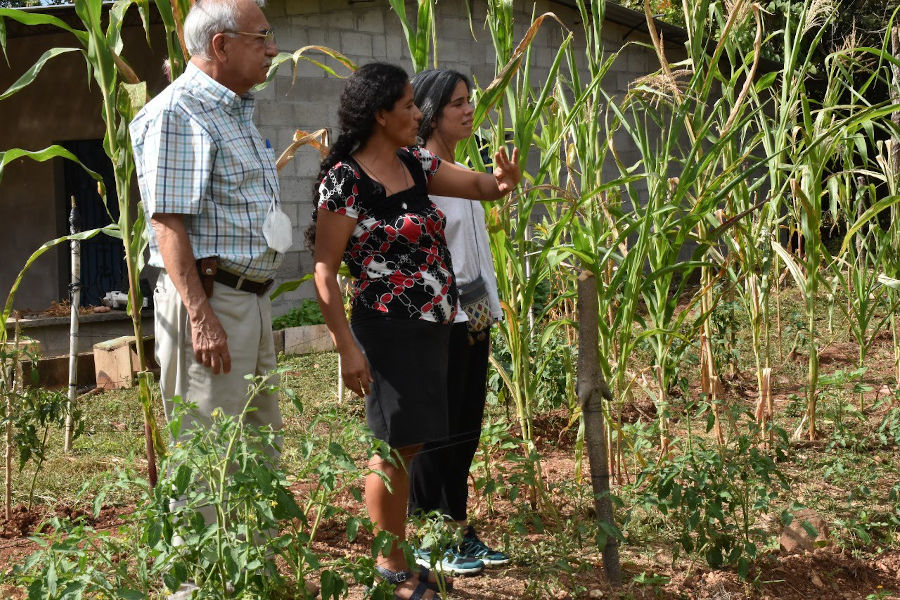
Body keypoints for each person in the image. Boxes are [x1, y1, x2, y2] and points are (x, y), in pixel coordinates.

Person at [311, 62, 520, 600]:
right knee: (393, 449)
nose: (416, 113)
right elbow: (325, 272)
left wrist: (501, 184)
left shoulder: (412, 161)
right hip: (386, 329)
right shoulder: (347, 180)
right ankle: (388, 567)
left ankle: (401, 557)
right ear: (380, 115)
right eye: (407, 105)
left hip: (432, 326)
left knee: (413, 442)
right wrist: (347, 348)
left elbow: (475, 186)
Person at [130, 0, 283, 597]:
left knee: (255, 446)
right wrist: (202, 316)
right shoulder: (180, 113)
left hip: (251, 300)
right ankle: (196, 585)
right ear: (220, 46)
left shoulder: (235, 109)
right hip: (212, 302)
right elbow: (169, 224)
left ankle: (246, 575)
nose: (272, 48)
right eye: (262, 37)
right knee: (206, 449)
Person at [407, 69, 510, 573]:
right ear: (430, 111)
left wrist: (489, 313)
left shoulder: (463, 169)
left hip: (473, 315)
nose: (469, 110)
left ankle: (457, 528)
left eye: (470, 101)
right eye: (457, 103)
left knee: (466, 425)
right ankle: (429, 536)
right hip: (437, 320)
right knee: (435, 428)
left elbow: (477, 255)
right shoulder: (419, 175)